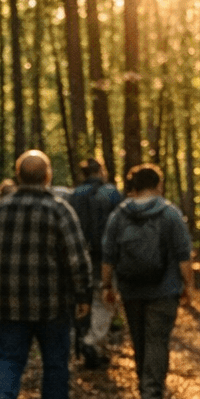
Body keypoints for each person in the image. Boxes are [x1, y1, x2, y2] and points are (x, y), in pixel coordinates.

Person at [0, 149, 93, 399]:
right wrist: (83, 296)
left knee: (7, 357)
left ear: (18, 175)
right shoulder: (59, 209)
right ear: (47, 176)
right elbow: (77, 258)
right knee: (55, 362)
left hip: (7, 303)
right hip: (52, 305)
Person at [102, 163, 195, 399]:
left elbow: (108, 255)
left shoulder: (119, 215)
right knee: (157, 341)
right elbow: (183, 255)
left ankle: (145, 389)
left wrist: (107, 285)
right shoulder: (169, 214)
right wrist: (189, 286)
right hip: (164, 290)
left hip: (131, 289)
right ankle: (151, 398)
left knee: (140, 341)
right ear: (158, 184)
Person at [66, 157, 125, 369]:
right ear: (101, 170)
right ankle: (93, 342)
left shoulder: (74, 194)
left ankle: (85, 344)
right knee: (105, 298)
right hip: (105, 256)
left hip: (79, 255)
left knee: (82, 299)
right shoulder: (111, 193)